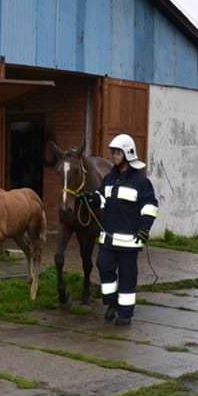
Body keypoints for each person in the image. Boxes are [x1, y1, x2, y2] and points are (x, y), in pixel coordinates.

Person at [82, 134, 158, 326]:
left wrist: (145, 229)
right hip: (108, 239)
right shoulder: (109, 178)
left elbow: (150, 206)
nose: (113, 156)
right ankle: (112, 303)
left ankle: (125, 314)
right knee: (104, 267)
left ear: (127, 153)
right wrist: (92, 199)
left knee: (127, 277)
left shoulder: (141, 182)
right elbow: (102, 198)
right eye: (113, 152)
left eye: (117, 152)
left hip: (129, 241)